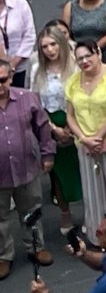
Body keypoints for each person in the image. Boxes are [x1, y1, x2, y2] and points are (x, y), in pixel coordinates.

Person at [0, 52, 53, 272]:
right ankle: (3, 256)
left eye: (2, 79)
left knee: (31, 210)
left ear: (11, 77)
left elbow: (43, 127)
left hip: (26, 167)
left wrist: (47, 154)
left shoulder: (27, 98)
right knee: (0, 218)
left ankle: (36, 247)